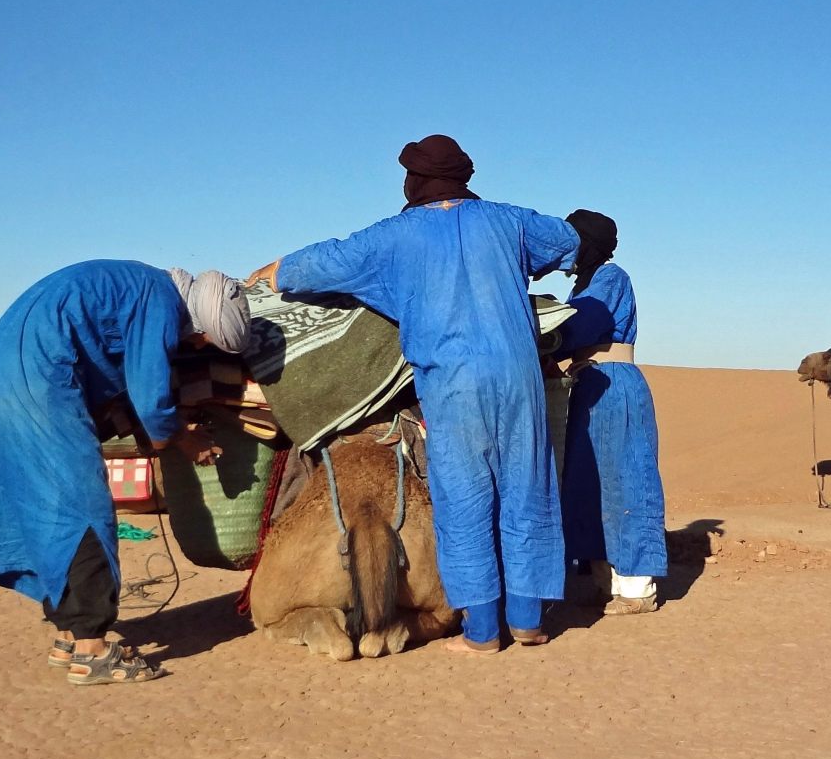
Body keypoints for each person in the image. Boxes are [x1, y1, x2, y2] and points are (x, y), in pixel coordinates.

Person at [247, 135, 580, 654]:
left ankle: (482, 632)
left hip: (451, 383)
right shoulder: (510, 220)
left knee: (464, 498)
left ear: (415, 181)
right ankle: (528, 622)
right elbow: (565, 240)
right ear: (463, 177)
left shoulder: (395, 235)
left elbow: (329, 260)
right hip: (518, 379)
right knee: (527, 487)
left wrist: (280, 269)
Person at [0, 260, 248, 685]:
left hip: (6, 362)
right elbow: (151, 400)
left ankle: (69, 636)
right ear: (202, 321)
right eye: (205, 339)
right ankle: (93, 651)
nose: (197, 346)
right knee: (83, 505)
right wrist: (184, 438)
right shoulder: (160, 300)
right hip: (43, 370)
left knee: (48, 502)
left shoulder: (140, 282)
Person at [556, 210, 667, 615]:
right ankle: (606, 580)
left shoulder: (610, 277)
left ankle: (638, 589)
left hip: (614, 384)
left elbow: (585, 325)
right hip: (588, 384)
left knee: (626, 479)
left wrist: (540, 329)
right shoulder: (585, 283)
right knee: (588, 482)